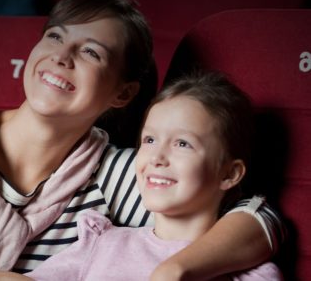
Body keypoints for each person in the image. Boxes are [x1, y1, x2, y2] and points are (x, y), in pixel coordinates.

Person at [0, 0, 282, 280]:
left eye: (90, 51)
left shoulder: (112, 172)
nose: (61, 56)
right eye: (55, 36)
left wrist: (176, 271)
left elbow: (257, 216)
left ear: (122, 94)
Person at [25, 71, 283, 280]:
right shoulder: (101, 244)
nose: (156, 157)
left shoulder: (251, 275)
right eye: (149, 139)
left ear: (229, 173)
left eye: (182, 143)